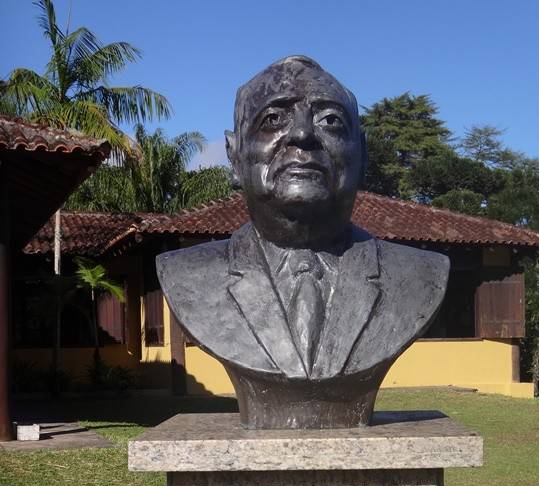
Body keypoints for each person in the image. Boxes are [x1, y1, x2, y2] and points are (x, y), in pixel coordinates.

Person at [158, 56, 449, 429]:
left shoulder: (421, 275)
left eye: (330, 120)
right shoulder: (187, 275)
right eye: (273, 120)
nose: (302, 135)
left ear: (362, 153)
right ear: (234, 154)